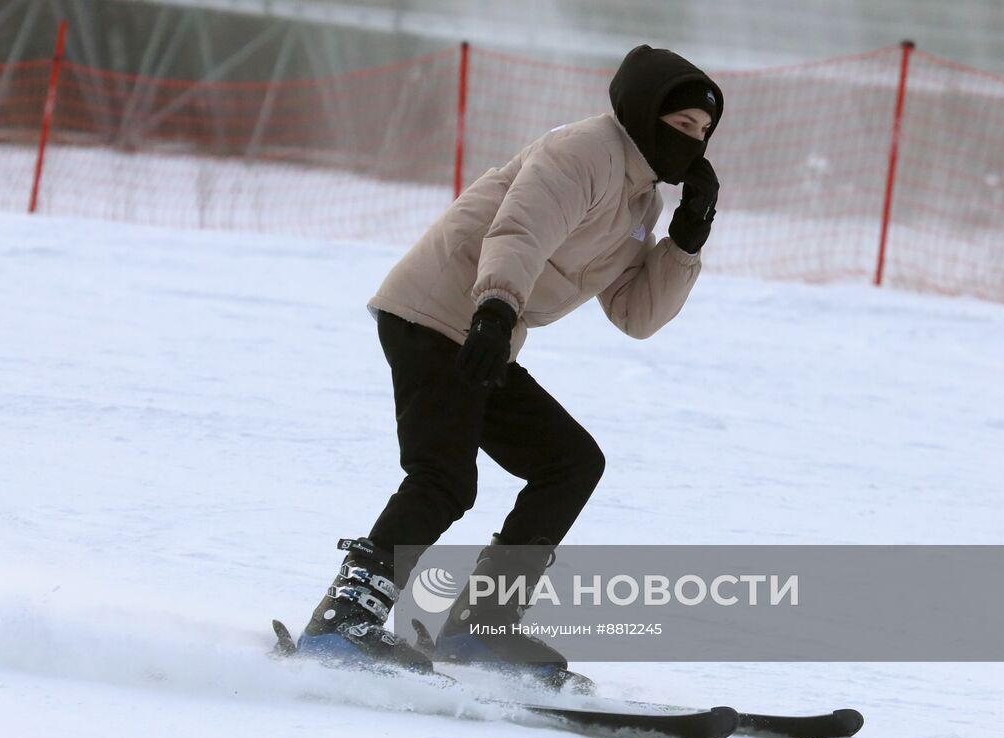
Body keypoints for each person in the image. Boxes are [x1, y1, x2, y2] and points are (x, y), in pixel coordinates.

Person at [295, 45, 723, 680]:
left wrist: (686, 237)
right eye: (680, 123)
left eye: (702, 133)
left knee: (569, 463)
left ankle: (482, 628)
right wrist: (496, 309)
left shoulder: (642, 205)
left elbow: (635, 314)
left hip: (483, 331)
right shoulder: (583, 153)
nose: (690, 141)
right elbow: (519, 231)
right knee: (442, 477)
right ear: (641, 110)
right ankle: (341, 624)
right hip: (438, 313)